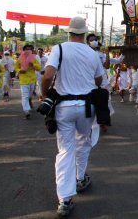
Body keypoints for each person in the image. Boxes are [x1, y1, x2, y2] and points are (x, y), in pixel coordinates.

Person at [41, 16, 104, 217]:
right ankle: (80, 177)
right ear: (85, 34)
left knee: (65, 150)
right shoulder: (92, 53)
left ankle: (65, 199)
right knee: (83, 142)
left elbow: (48, 75)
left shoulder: (59, 49)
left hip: (64, 107)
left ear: (69, 32)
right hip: (87, 106)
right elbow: (99, 79)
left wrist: (44, 94)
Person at [15, 45, 41, 119]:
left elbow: (39, 67)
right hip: (23, 80)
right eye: (26, 49)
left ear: (31, 51)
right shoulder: (20, 58)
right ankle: (26, 111)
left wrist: (33, 64)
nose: (28, 51)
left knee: (29, 96)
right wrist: (20, 71)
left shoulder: (34, 58)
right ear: (23, 50)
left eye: (29, 49)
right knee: (25, 96)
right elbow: (16, 67)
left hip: (32, 80)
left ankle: (29, 100)